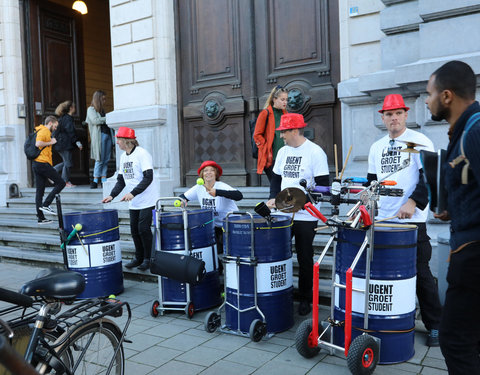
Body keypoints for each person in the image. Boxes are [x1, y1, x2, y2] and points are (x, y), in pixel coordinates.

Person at [366, 93, 442, 347]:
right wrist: (364, 206)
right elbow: (371, 184)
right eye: (389, 114)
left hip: (412, 223)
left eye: (398, 113)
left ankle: (435, 326)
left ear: (406, 115)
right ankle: (391, 319)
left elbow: (430, 177)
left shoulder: (419, 141)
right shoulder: (377, 147)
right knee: (385, 274)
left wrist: (414, 202)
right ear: (383, 118)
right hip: (383, 222)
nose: (394, 118)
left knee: (421, 274)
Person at [426, 60, 480, 374]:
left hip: (473, 257)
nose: (426, 100)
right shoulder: (461, 132)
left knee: (455, 341)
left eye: (429, 93)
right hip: (468, 251)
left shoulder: (474, 130)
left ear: (447, 96)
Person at [266, 113, 329, 315]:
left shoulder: (315, 152)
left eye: (284, 132)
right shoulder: (283, 152)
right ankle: (279, 293)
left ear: (294, 130)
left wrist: (300, 204)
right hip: (284, 214)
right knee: (277, 254)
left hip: (306, 216)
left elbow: (323, 188)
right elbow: (276, 179)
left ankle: (305, 299)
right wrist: (272, 198)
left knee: (304, 258)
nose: (281, 136)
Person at [102, 127, 156, 271]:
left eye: (118, 139)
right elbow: (121, 181)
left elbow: (148, 177)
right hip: (134, 201)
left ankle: (149, 259)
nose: (117, 143)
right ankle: (138, 258)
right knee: (134, 230)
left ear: (126, 141)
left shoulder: (142, 154)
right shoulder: (123, 157)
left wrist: (133, 193)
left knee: (143, 229)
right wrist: (112, 195)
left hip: (147, 199)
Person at [179, 161, 243, 270]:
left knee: (230, 250)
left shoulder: (221, 186)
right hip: (213, 225)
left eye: (212, 170)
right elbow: (183, 196)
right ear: (202, 174)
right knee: (207, 245)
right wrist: (183, 201)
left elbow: (239, 196)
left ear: (216, 174)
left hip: (230, 223)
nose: (208, 173)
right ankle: (218, 269)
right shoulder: (199, 187)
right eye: (206, 171)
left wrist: (217, 192)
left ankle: (233, 272)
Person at [32, 115, 66, 224]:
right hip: (42, 163)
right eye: (55, 126)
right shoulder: (45, 131)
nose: (55, 128)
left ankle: (40, 218)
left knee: (39, 191)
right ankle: (46, 204)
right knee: (61, 183)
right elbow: (38, 144)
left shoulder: (41, 130)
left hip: (38, 164)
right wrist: (51, 142)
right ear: (51, 123)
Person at [253, 86, 288, 182]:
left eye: (286, 99)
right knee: (275, 186)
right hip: (271, 158)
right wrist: (265, 148)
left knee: (284, 186)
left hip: (284, 156)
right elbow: (257, 135)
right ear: (274, 99)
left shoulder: (286, 114)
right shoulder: (265, 113)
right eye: (282, 99)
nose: (285, 102)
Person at [85, 90, 114, 189]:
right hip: (99, 136)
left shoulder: (102, 110)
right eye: (103, 99)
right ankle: (95, 180)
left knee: (106, 159)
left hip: (107, 135)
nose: (105, 101)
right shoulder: (91, 109)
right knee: (99, 159)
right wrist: (108, 118)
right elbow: (95, 121)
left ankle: (103, 179)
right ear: (98, 99)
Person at [53, 100, 82, 187]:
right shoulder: (67, 119)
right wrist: (78, 143)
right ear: (70, 108)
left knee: (67, 162)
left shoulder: (63, 118)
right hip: (64, 144)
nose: (75, 108)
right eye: (74, 106)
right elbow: (71, 132)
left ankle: (51, 171)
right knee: (68, 163)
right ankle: (64, 181)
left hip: (61, 144)